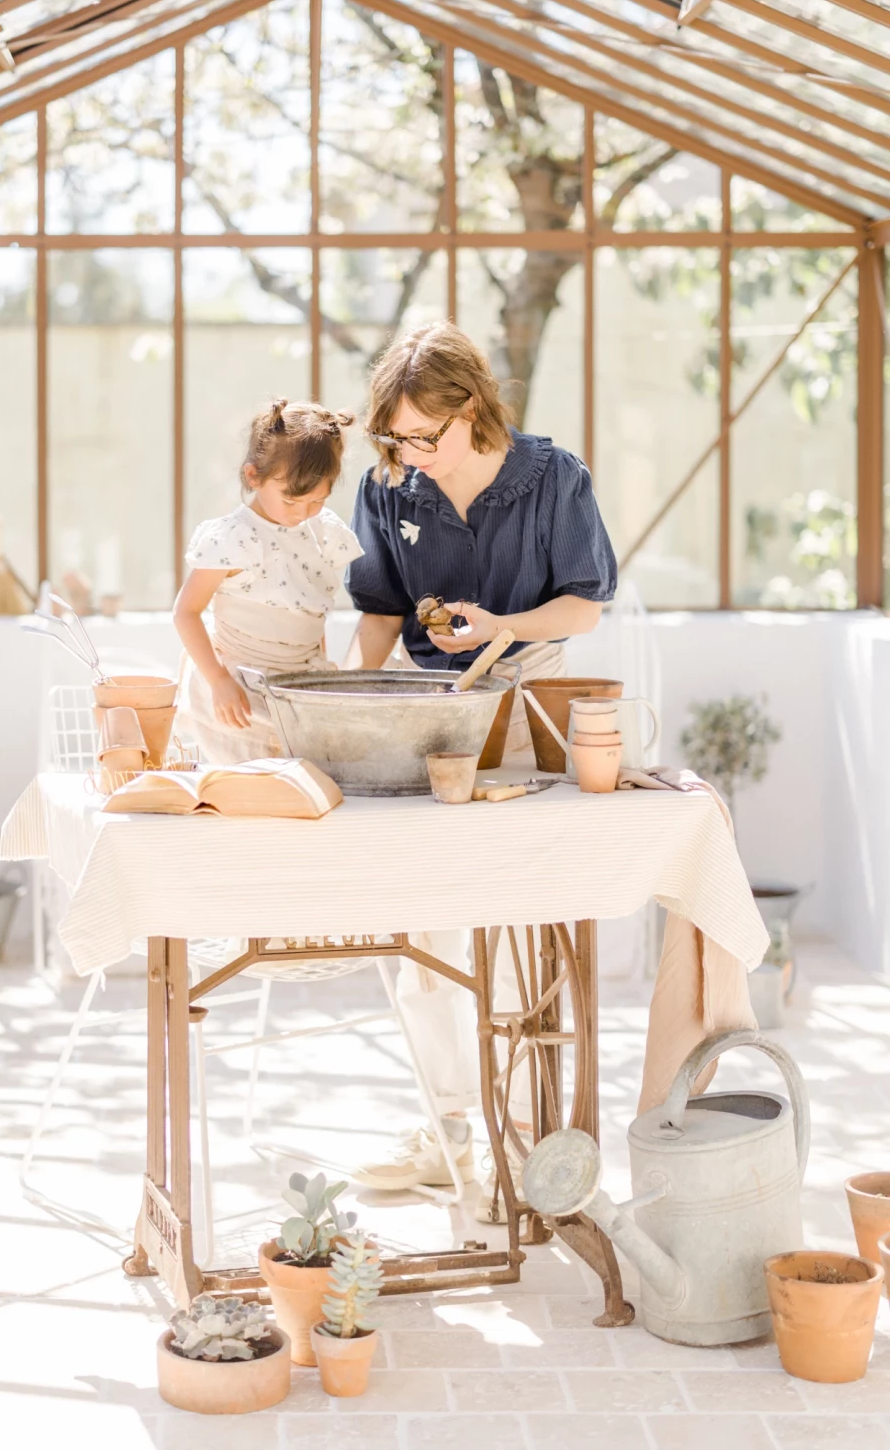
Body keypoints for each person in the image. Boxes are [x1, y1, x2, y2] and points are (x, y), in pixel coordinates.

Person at [344, 322, 617, 1213]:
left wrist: (505, 627)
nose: (412, 454)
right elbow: (381, 610)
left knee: (521, 914)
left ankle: (529, 1131)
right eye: (397, 438)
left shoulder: (554, 479)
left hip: (531, 699)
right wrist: (347, 699)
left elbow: (583, 606)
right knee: (422, 923)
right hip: (430, 714)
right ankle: (450, 1124)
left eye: (427, 435)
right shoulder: (389, 486)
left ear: (474, 409)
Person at [173, 399, 362, 764]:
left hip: (300, 691)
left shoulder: (323, 533)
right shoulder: (232, 537)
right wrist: (218, 681)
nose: (303, 513)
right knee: (249, 793)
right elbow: (186, 613)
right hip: (238, 692)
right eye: (292, 500)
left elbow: (310, 608)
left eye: (317, 500)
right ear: (253, 476)